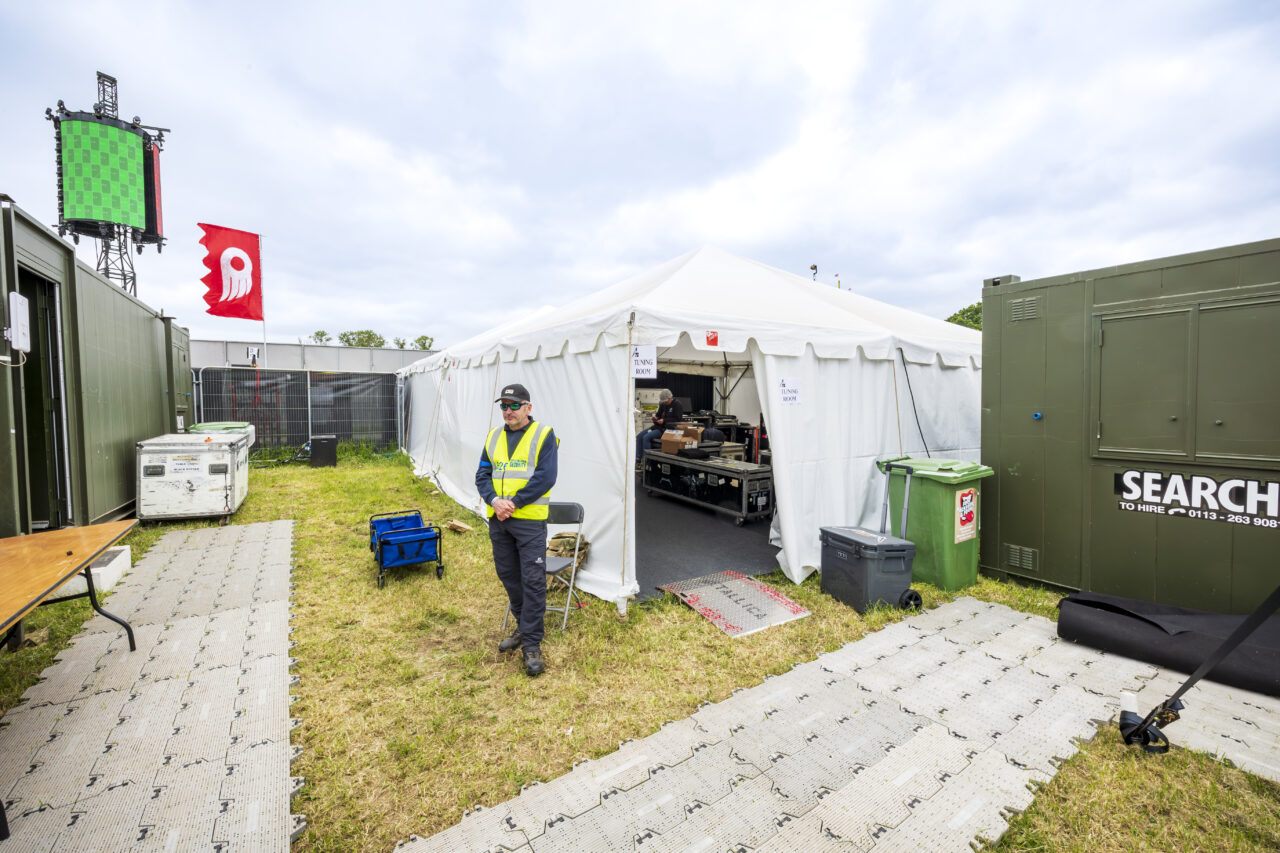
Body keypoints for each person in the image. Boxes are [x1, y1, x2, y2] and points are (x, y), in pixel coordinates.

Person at [476, 383, 558, 676]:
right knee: (509, 576)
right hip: (499, 520)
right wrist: (494, 501)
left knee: (533, 580)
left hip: (529, 521)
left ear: (528, 407)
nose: (508, 411)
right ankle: (524, 628)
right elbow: (482, 475)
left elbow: (546, 477)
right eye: (504, 406)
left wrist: (514, 502)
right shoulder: (493, 436)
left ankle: (532, 644)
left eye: (514, 405)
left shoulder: (544, 435)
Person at [635, 390, 683, 469]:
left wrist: (664, 420)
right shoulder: (662, 404)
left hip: (666, 429)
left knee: (646, 437)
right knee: (639, 436)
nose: (664, 403)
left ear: (670, 398)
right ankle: (638, 460)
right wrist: (656, 418)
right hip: (657, 427)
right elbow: (658, 415)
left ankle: (647, 462)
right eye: (663, 401)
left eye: (665, 401)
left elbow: (677, 419)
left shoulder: (677, 405)